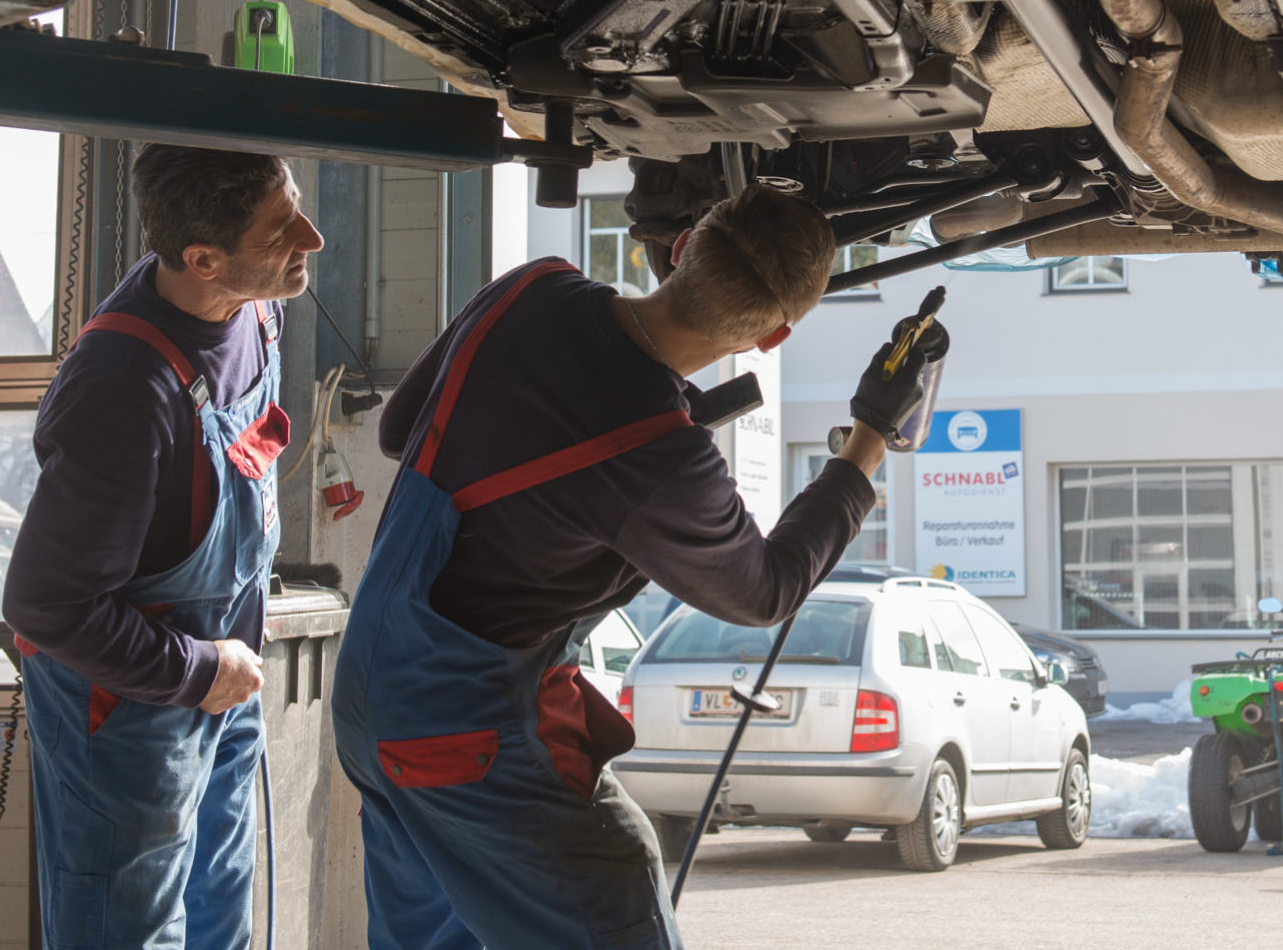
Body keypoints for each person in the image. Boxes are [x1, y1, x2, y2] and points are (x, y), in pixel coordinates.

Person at [330, 183, 946, 949]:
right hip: (461, 730)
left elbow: (399, 429)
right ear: (774, 337)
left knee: (443, 932)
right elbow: (765, 590)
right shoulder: (659, 454)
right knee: (611, 905)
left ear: (683, 247)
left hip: (369, 691)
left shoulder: (530, 288)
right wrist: (870, 436)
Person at [4, 143, 323, 950]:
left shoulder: (256, 308)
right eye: (280, 228)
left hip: (223, 673)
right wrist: (198, 671)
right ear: (204, 260)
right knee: (126, 929)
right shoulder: (122, 390)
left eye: (297, 205)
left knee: (220, 911)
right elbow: (48, 607)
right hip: (125, 703)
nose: (312, 239)